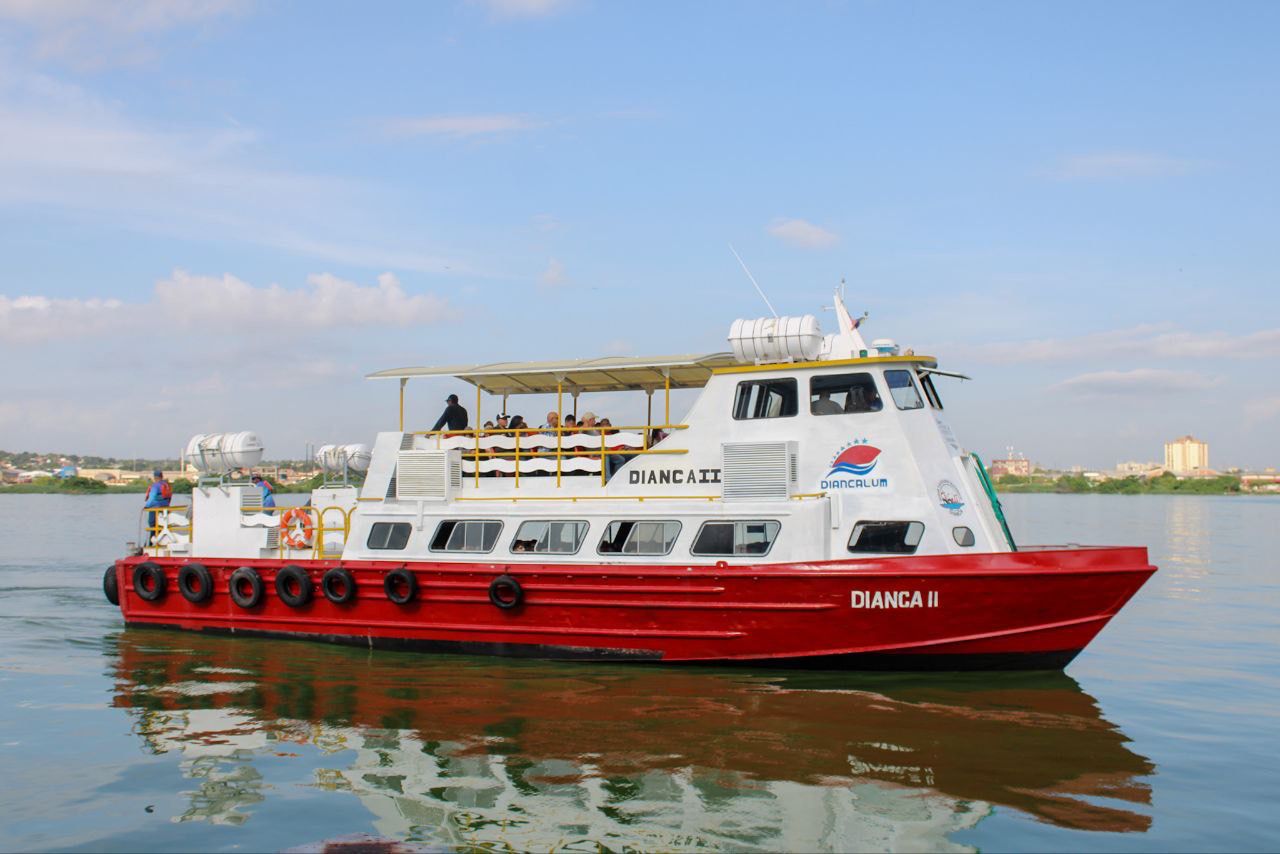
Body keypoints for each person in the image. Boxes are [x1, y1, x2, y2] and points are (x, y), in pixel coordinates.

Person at [142, 469, 172, 545]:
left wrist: (147, 506)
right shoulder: (166, 485)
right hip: (165, 508)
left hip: (155, 509)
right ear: (162, 476)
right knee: (162, 525)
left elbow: (152, 497)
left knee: (152, 525)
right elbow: (169, 497)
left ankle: (151, 544)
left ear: (155, 477)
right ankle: (160, 542)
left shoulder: (155, 486)